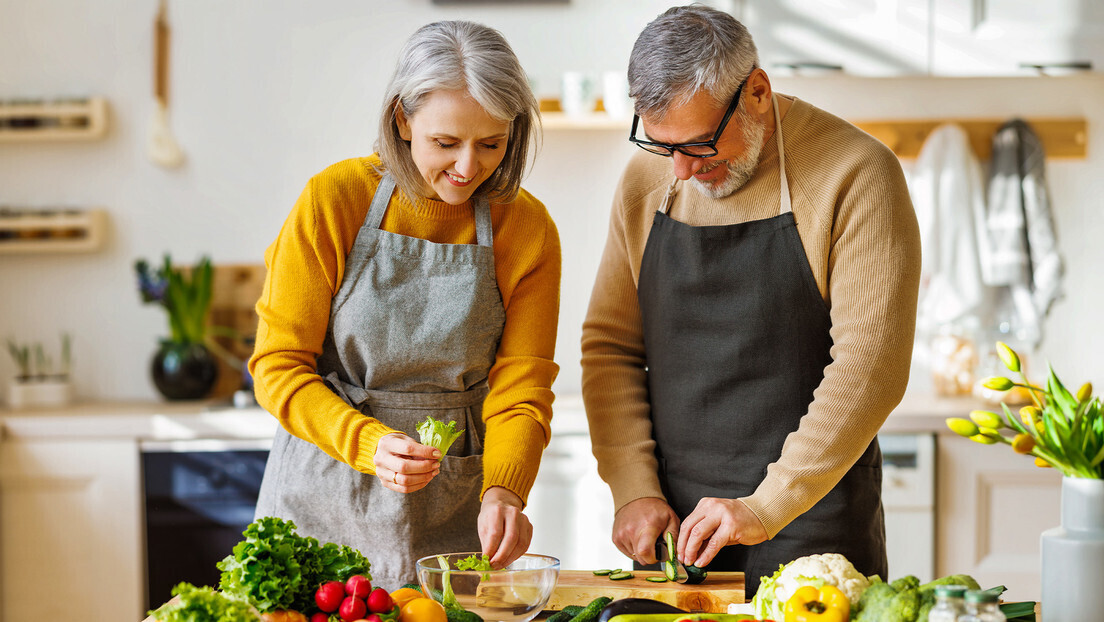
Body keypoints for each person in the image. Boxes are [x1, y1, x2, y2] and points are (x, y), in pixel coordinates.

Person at [580, 5, 921, 596]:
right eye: (663, 146)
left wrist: (767, 505)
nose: (682, 170)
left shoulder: (856, 174)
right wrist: (633, 489)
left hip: (815, 528)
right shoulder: (647, 180)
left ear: (757, 91)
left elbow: (871, 366)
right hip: (677, 540)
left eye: (700, 144)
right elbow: (610, 346)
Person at [250, 20, 560, 589]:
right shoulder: (335, 199)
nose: (469, 168)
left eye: (492, 144)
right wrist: (369, 442)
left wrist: (505, 489)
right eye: (446, 143)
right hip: (326, 484)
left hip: (454, 504)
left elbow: (522, 387)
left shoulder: (527, 228)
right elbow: (277, 368)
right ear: (402, 118)